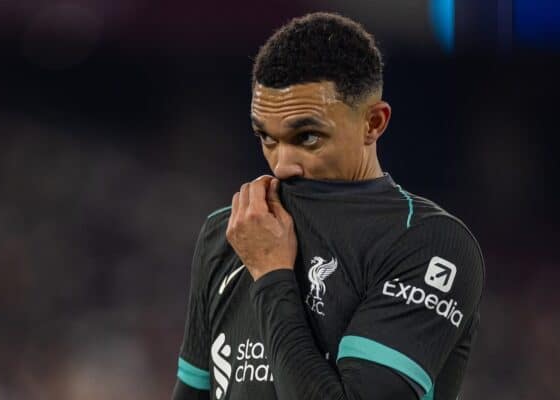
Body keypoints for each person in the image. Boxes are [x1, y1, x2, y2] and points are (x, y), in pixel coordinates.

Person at [172, 12, 484, 400]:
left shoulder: (428, 242)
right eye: (266, 138)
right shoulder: (229, 232)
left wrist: (271, 275)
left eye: (307, 137)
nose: (282, 164)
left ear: (373, 122)